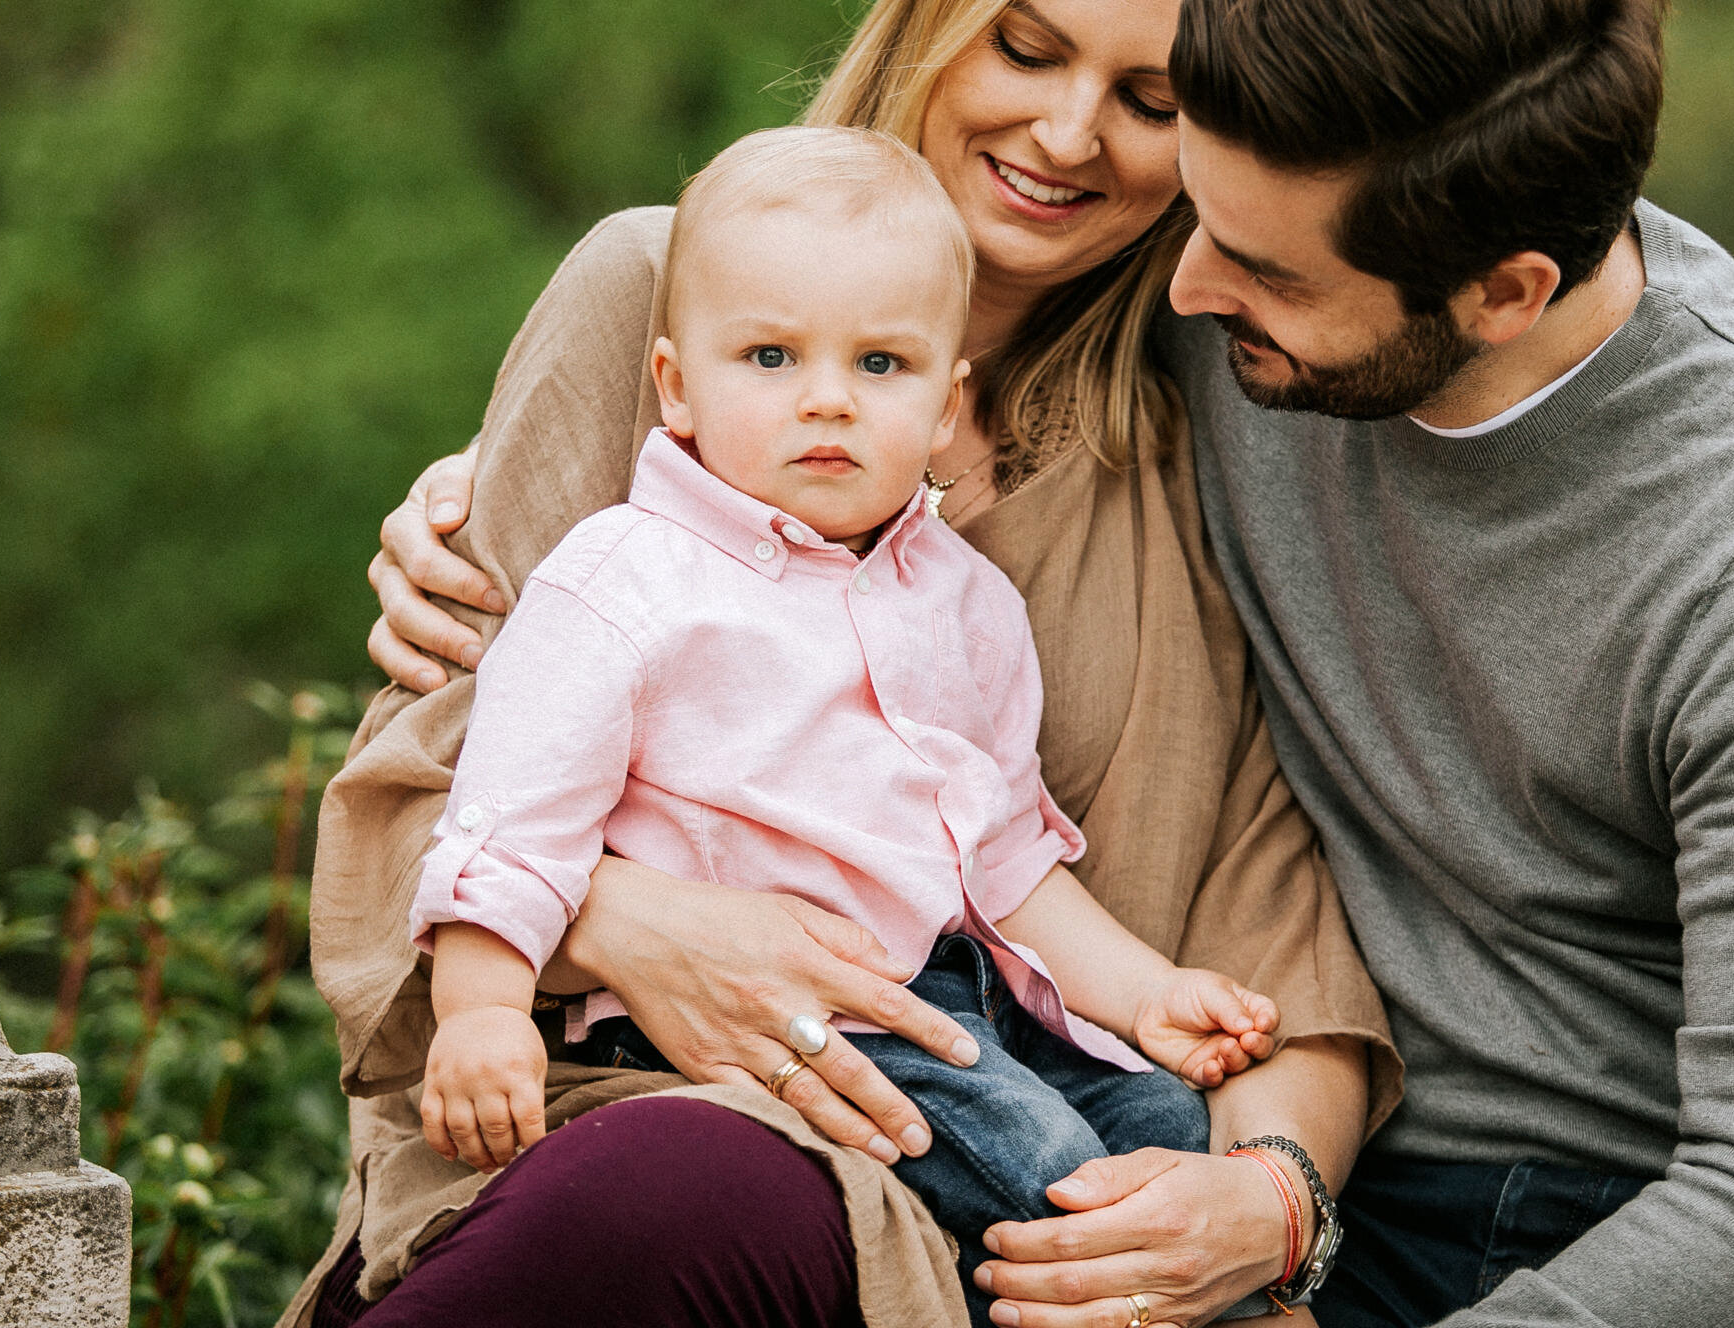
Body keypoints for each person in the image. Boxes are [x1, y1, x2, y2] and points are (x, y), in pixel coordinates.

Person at [372, 0, 1734, 1328]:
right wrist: (600, 491)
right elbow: (846, 355)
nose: (1181, 286)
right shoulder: (1260, 302)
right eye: (1200, 218)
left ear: (1505, 289)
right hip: (1375, 1194)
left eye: (1257, 269)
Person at [294, 0, 1399, 1328]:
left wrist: (1272, 1204)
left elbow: (1286, 929)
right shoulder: (651, 295)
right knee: (680, 1192)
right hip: (636, 1126)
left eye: (1153, 102)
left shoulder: (1217, 444)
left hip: (1036, 1189)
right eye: (1025, 46)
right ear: (944, 0)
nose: (1068, 133)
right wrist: (648, 926)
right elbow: (416, 795)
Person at [411, 126, 1287, 1327]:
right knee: (1053, 1174)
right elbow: (511, 819)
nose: (826, 397)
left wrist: (1145, 998)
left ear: (945, 407)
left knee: (1159, 1122)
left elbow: (1009, 859)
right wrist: (482, 1014)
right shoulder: (626, 579)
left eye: (881, 365)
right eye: (770, 356)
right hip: (751, 1013)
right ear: (677, 384)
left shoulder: (963, 599)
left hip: (955, 992)